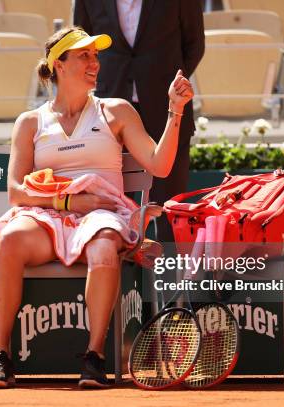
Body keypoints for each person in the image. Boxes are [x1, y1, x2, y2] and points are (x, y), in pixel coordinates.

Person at [0, 27, 193, 389]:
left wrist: (175, 110)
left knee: (105, 241)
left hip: (100, 215)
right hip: (50, 215)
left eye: (96, 56)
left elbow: (159, 165)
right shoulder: (30, 122)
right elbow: (16, 193)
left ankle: (94, 357)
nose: (95, 63)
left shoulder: (116, 111)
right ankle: (0, 356)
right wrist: (66, 201)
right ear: (59, 65)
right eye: (84, 56)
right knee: (12, 239)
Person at [74, 0, 205, 243]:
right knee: (111, 208)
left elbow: (194, 44)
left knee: (170, 206)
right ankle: (119, 274)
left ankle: (169, 276)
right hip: (108, 109)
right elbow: (81, 41)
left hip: (166, 107)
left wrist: (169, 82)